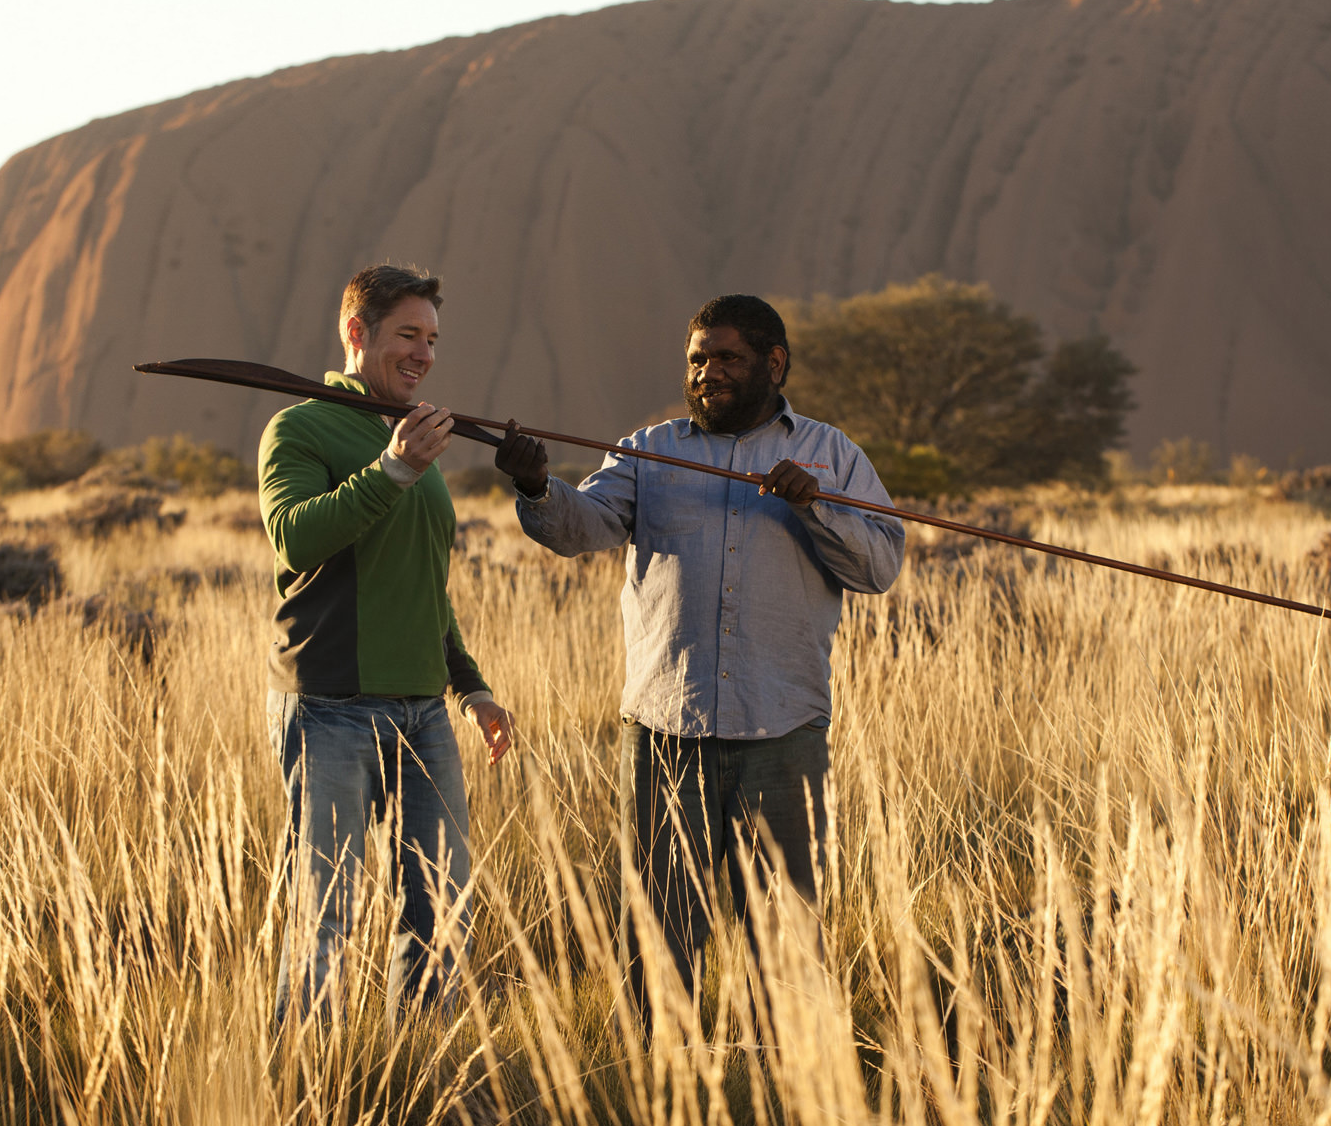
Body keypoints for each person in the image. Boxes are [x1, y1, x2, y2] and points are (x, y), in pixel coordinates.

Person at [494, 293, 903, 1018]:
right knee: (656, 940)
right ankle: (661, 1086)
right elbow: (580, 528)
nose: (707, 372)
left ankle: (780, 1085)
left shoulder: (833, 455)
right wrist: (535, 485)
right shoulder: (650, 450)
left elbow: (878, 568)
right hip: (664, 736)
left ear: (774, 364)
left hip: (783, 734)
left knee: (782, 944)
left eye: (726, 358)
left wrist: (817, 506)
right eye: (696, 359)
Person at [258, 263, 516, 1033]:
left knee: (439, 909)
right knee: (324, 912)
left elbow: (425, 585)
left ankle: (418, 1073)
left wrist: (469, 687)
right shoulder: (300, 428)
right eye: (408, 335)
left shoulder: (413, 438)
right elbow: (296, 537)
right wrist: (396, 469)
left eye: (432, 340)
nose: (423, 354)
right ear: (355, 334)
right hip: (331, 705)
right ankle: (306, 1086)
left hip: (424, 713)